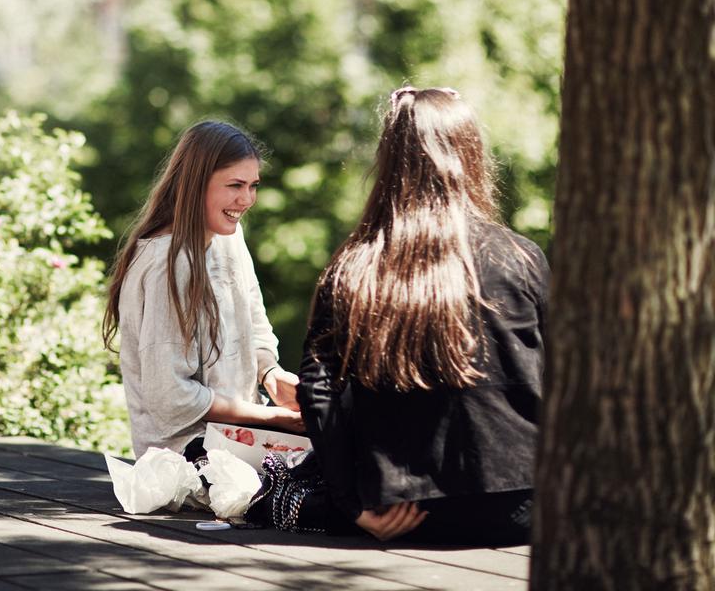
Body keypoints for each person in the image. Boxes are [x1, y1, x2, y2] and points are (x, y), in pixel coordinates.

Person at [293, 86, 549, 545]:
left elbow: (317, 388)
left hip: (409, 511)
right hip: (527, 505)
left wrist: (352, 503)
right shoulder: (521, 258)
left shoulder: (354, 266)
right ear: (471, 157)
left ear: (388, 162)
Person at [103, 120, 304, 461]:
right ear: (195, 184)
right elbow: (171, 397)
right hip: (185, 461)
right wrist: (272, 417)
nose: (247, 199)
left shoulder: (229, 238)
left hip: (240, 442)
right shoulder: (167, 262)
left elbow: (255, 326)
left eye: (253, 185)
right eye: (235, 185)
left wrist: (271, 374)